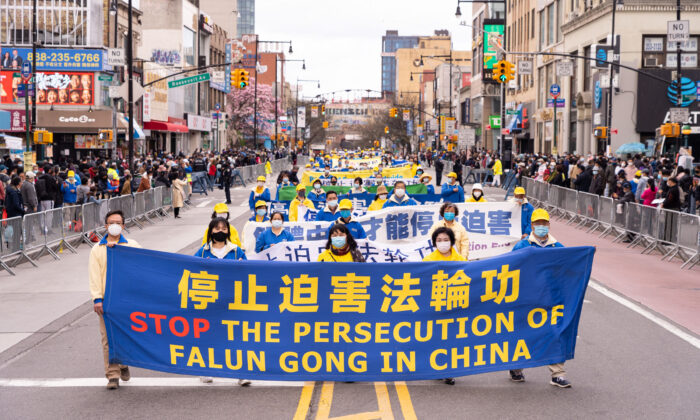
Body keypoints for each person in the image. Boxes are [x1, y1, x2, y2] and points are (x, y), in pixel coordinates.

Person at [510, 208, 569, 388]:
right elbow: (509, 267)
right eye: (537, 223)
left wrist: (587, 254)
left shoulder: (557, 247)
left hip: (549, 299)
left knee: (554, 333)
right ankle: (516, 367)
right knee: (522, 333)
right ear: (532, 225)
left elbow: (568, 267)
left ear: (549, 225)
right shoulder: (522, 246)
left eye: (544, 223)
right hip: (525, 298)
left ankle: (557, 374)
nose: (541, 227)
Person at [88, 210, 142, 389]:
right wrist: (97, 299)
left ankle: (123, 362)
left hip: (128, 299)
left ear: (123, 226)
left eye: (118, 222)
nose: (115, 225)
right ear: (105, 226)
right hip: (107, 300)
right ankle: (112, 375)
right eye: (112, 222)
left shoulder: (133, 245)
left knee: (127, 334)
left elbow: (143, 268)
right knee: (107, 338)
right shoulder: (97, 250)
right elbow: (94, 276)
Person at [194, 217, 249, 386]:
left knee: (236, 336)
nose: (220, 231)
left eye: (224, 228)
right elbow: (191, 270)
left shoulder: (237, 251)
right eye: (216, 228)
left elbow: (248, 273)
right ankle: (206, 369)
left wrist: (242, 267)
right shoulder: (202, 252)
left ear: (228, 231)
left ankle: (241, 373)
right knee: (209, 335)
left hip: (232, 301)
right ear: (211, 231)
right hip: (209, 300)